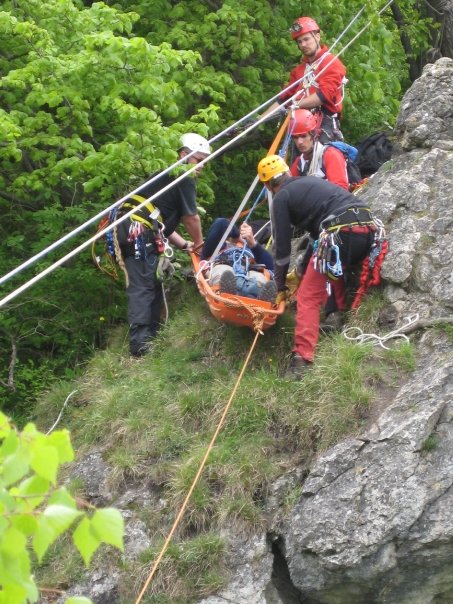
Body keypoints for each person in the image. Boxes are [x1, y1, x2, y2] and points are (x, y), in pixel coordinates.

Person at [257, 154, 384, 380]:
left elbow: (282, 249)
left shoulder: (281, 197)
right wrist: (302, 269)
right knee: (330, 264)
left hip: (339, 232)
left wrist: (279, 285)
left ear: (267, 185)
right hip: (366, 229)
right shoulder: (311, 183)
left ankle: (301, 359)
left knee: (307, 295)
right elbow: (317, 240)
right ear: (287, 172)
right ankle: (334, 316)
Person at [116, 133, 210, 357]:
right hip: (137, 231)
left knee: (152, 281)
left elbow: (159, 219)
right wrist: (198, 243)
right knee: (143, 285)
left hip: (136, 228)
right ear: (184, 155)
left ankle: (152, 336)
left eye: (205, 161)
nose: (201, 166)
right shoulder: (183, 176)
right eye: (199, 160)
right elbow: (191, 218)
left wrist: (185, 244)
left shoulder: (169, 177)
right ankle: (140, 344)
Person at [265, 17, 347, 143]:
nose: (303, 44)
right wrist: (260, 118)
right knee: (297, 162)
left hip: (324, 123)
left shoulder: (331, 63)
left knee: (322, 158)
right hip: (300, 127)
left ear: (317, 37)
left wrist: (295, 104)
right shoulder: (299, 71)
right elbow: (283, 99)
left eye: (306, 39)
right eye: (299, 42)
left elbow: (324, 96)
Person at [200, 219, 277, 302]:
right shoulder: (217, 247)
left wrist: (252, 243)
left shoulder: (251, 250)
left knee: (260, 278)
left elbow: (271, 266)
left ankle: (258, 296)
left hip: (249, 269)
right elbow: (221, 223)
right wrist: (237, 236)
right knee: (223, 273)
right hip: (223, 263)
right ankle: (227, 292)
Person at [289, 108, 348, 190]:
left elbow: (341, 190)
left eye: (303, 136)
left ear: (314, 135)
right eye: (295, 137)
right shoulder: (298, 165)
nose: (299, 142)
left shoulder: (331, 155)